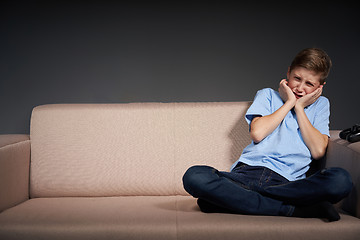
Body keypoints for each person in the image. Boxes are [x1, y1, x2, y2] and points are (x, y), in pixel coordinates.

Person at [182, 48, 353, 222]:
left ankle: (237, 200)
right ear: (288, 72)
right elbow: (257, 133)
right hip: (245, 175)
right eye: (297, 78)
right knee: (194, 176)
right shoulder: (267, 95)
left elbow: (318, 151)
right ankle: (292, 210)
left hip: (288, 183)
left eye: (309, 84)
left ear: (320, 87)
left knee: (340, 180)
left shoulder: (321, 105)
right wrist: (289, 103)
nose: (300, 88)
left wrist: (300, 108)